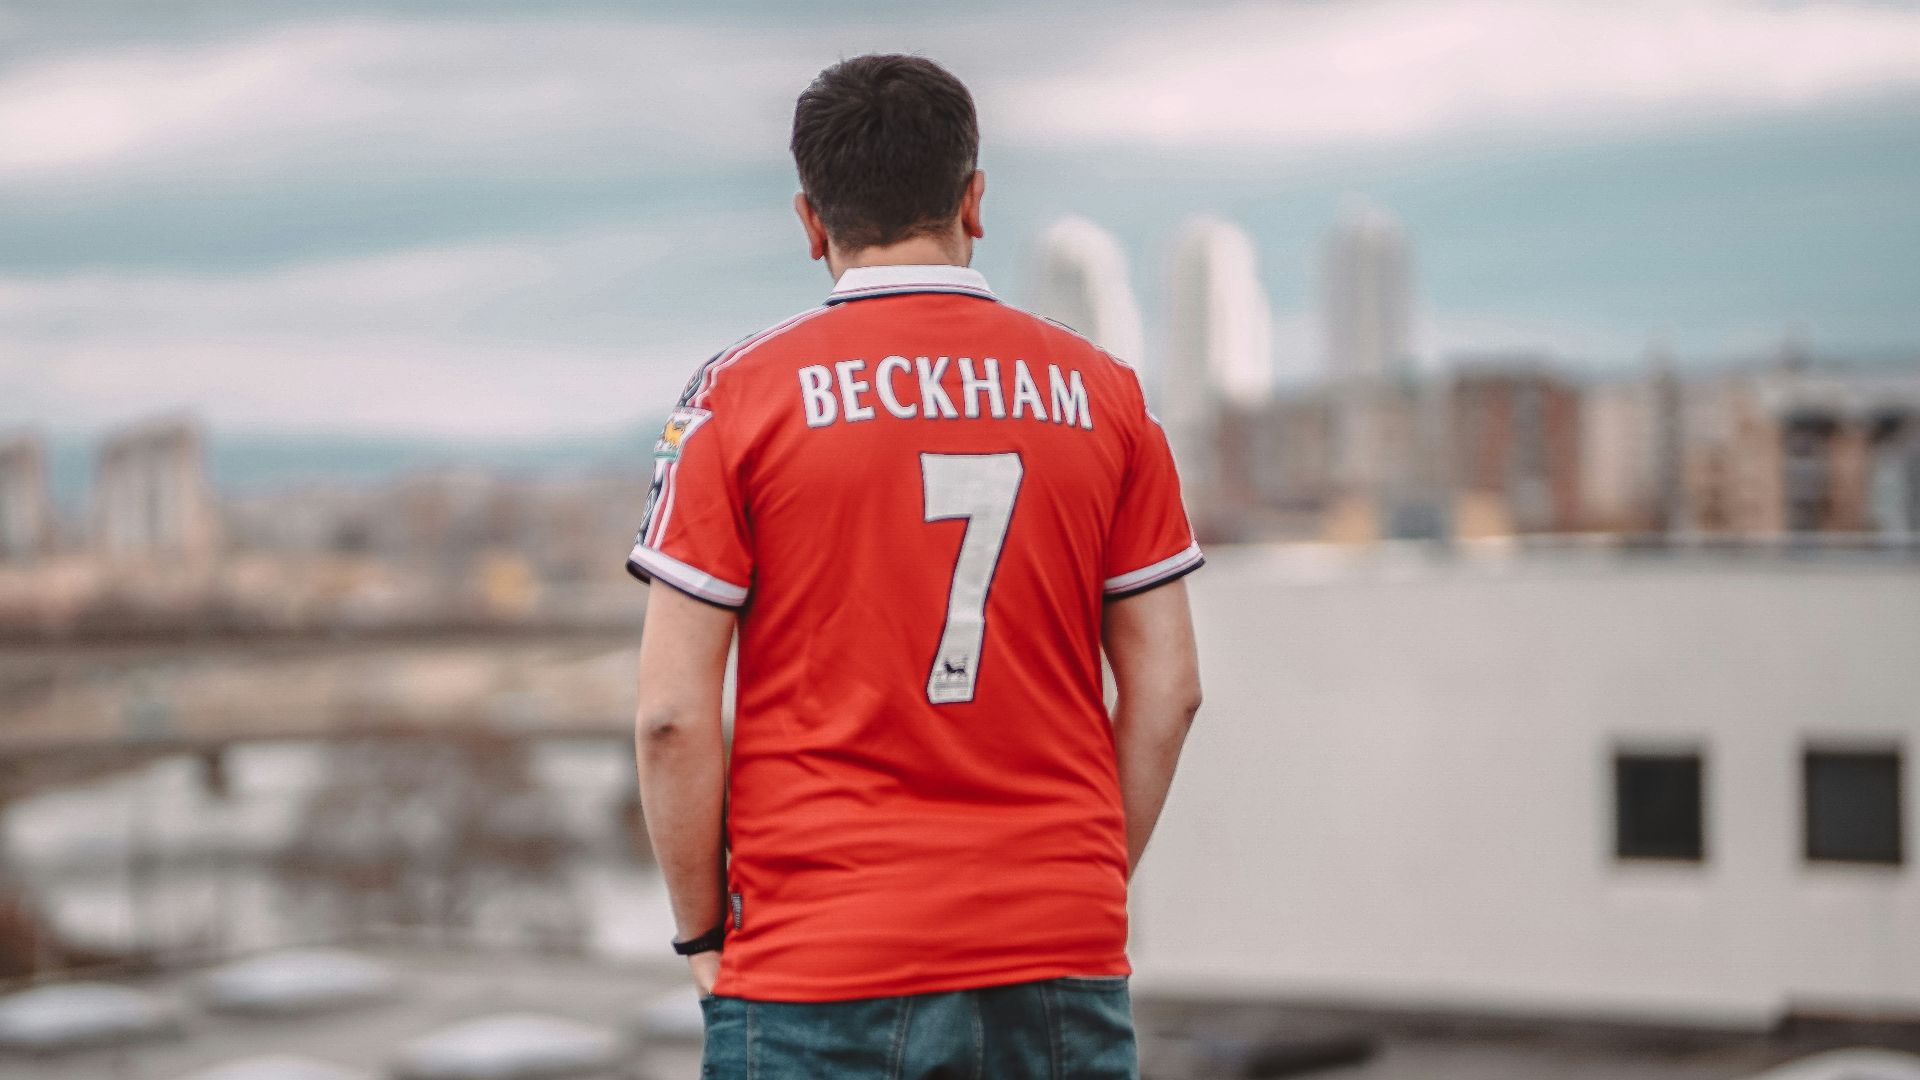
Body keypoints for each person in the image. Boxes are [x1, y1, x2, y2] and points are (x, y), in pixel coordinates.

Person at [627, 53, 1203, 1079]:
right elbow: (1168, 692)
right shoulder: (1107, 394)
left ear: (811, 220)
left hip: (818, 960)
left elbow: (672, 717)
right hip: (1058, 953)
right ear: (974, 200)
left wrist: (702, 937)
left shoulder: (739, 397)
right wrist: (1079, 886)